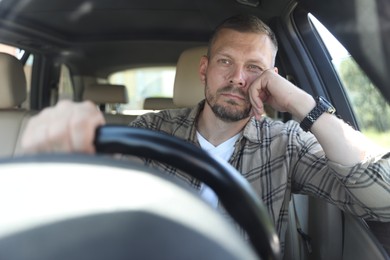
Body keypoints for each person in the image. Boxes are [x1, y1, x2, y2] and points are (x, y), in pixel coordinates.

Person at [21, 15, 390, 253]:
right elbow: (91, 201)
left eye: (254, 68)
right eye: (225, 62)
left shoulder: (286, 142)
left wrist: (304, 105)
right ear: (204, 69)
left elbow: (382, 202)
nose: (237, 79)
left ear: (272, 76)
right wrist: (61, 150)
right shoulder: (152, 130)